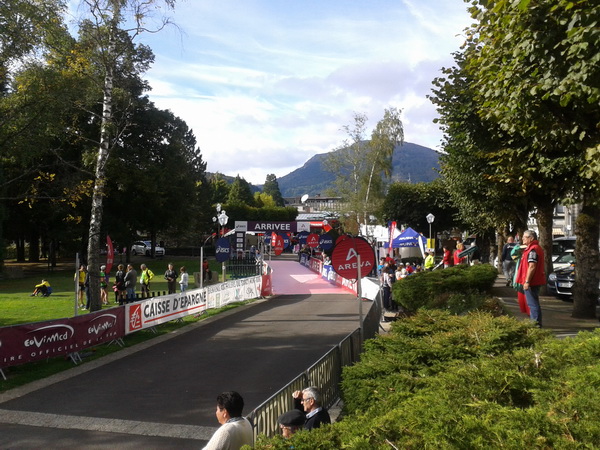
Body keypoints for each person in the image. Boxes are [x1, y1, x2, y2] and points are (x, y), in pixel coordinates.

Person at [516, 230, 545, 327]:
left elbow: (532, 266)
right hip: (534, 280)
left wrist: (527, 281)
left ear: (531, 238)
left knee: (532, 304)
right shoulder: (533, 248)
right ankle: (537, 323)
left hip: (532, 281)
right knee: (534, 303)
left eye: (525, 237)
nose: (522, 238)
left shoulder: (533, 249)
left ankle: (535, 324)